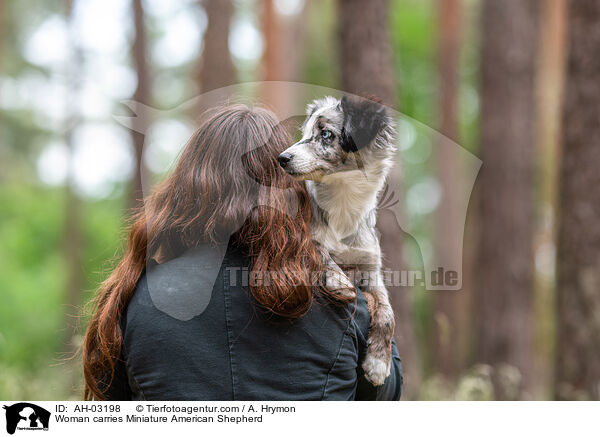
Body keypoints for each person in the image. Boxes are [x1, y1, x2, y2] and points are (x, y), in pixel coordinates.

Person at [82, 104, 402, 401]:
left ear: (184, 190)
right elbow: (384, 392)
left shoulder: (134, 301)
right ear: (287, 187)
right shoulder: (341, 302)